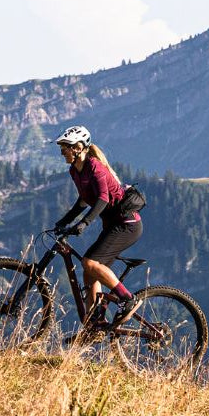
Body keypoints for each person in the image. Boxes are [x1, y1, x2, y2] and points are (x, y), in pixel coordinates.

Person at [52, 125, 141, 326]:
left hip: (127, 224)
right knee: (89, 272)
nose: (62, 152)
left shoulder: (94, 166)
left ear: (78, 148)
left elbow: (103, 198)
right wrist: (63, 222)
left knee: (90, 263)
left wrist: (84, 223)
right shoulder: (75, 170)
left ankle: (127, 299)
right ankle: (94, 324)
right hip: (112, 225)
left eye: (65, 147)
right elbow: (84, 200)